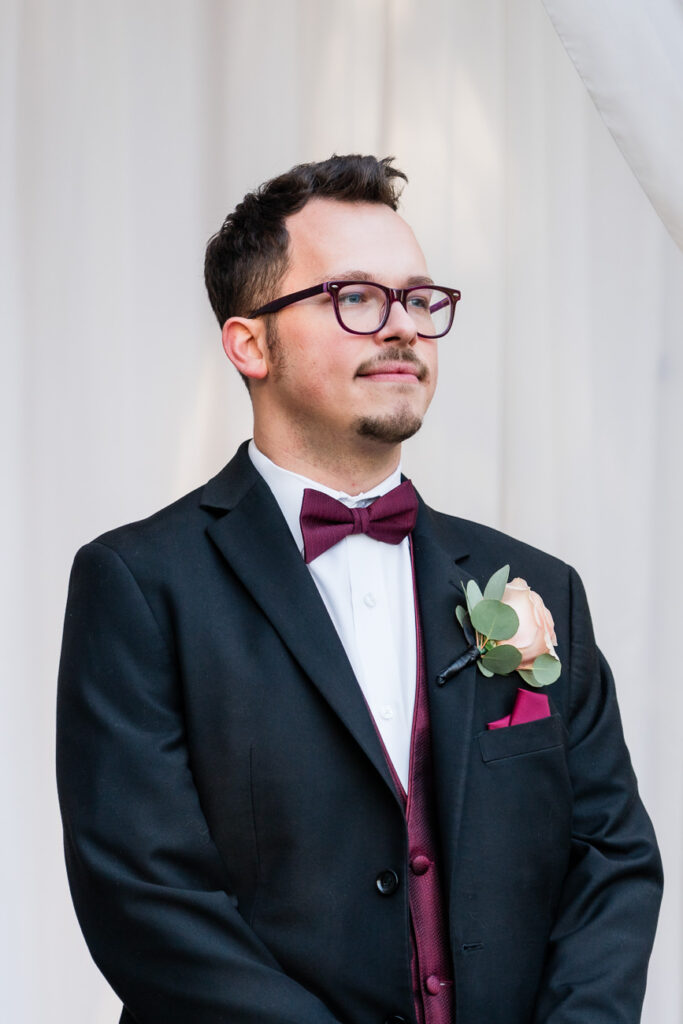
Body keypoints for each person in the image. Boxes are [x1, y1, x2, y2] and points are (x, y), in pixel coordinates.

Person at [57, 154, 662, 1024]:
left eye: (418, 298)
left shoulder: (544, 588)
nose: (404, 327)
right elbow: (146, 902)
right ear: (250, 344)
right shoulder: (140, 585)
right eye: (355, 298)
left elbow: (610, 858)